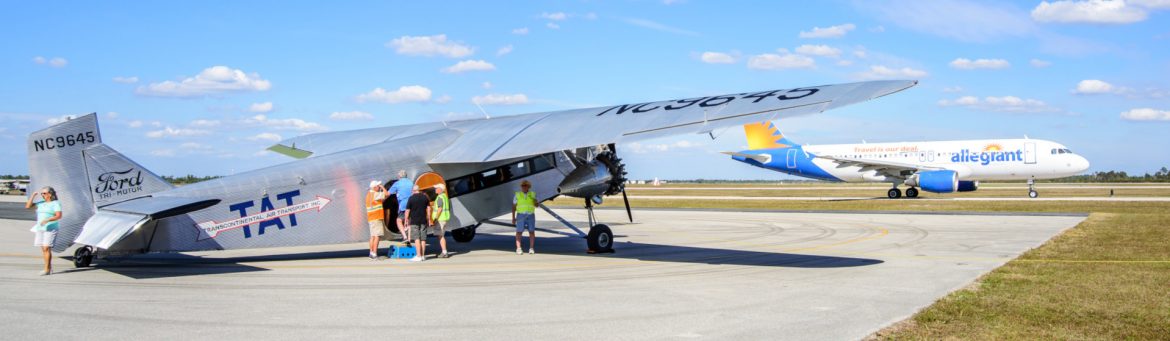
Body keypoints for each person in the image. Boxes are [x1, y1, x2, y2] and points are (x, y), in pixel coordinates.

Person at [26, 186, 61, 276]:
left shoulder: (55, 203)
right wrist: (33, 196)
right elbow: (28, 206)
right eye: (42, 193)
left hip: (50, 228)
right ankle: (48, 267)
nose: (43, 195)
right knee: (43, 249)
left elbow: (58, 216)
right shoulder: (40, 203)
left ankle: (47, 269)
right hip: (40, 228)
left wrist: (48, 220)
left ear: (50, 194)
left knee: (46, 248)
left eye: (44, 193)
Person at [403, 185, 431, 262]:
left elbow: (407, 210)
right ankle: (423, 256)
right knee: (423, 238)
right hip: (423, 220)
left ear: (413, 190)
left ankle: (418, 256)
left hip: (414, 221)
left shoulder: (411, 198)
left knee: (417, 238)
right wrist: (428, 218)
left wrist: (406, 220)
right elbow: (428, 208)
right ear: (419, 190)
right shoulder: (425, 197)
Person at [511, 180, 537, 255]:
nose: (524, 187)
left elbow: (536, 205)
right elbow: (513, 207)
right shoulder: (517, 195)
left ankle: (531, 248)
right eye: (523, 186)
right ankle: (518, 248)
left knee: (531, 232)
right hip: (520, 215)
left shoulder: (532, 194)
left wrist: (535, 201)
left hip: (530, 215)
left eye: (525, 186)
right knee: (519, 232)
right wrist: (513, 217)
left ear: (529, 187)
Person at [388, 170, 414, 243]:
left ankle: (405, 237)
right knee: (409, 221)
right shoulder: (411, 182)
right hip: (411, 204)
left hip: (403, 205)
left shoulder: (397, 183)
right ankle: (409, 238)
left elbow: (388, 193)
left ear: (399, 176)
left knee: (399, 220)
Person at [365, 181, 387, 260]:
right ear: (374, 187)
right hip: (377, 217)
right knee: (377, 236)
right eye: (378, 186)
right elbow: (387, 194)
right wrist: (383, 187)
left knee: (372, 236)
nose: (379, 187)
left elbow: (379, 201)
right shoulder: (375, 194)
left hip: (371, 218)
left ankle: (371, 253)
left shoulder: (368, 195)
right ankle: (374, 253)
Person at [431, 184, 451, 258]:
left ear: (440, 189)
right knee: (441, 235)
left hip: (440, 219)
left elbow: (440, 209)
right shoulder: (445, 196)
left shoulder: (439, 197)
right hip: (444, 218)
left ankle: (444, 252)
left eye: (436, 188)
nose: (435, 189)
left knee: (440, 236)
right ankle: (444, 251)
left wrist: (436, 217)